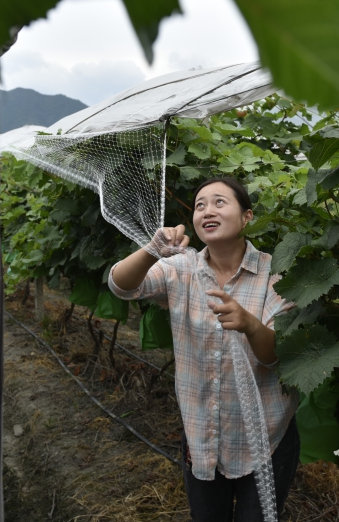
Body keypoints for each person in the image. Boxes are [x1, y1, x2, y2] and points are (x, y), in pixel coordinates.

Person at [108, 176, 300, 522]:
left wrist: (250, 324)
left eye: (219, 202)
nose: (207, 210)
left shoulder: (277, 274)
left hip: (265, 439)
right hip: (202, 437)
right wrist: (152, 249)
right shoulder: (181, 268)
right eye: (199, 206)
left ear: (247, 216)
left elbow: (276, 356)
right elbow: (121, 286)